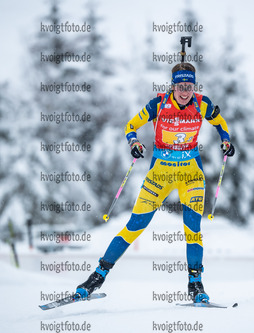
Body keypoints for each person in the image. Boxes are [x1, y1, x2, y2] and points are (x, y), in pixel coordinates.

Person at [76, 62, 235, 303]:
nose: (185, 91)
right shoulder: (158, 104)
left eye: (189, 86)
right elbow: (131, 126)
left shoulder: (202, 103)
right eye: (180, 86)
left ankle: (195, 284)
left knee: (193, 229)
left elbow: (221, 123)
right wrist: (134, 143)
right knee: (135, 224)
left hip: (191, 174)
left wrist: (226, 141)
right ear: (173, 86)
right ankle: (97, 277)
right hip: (159, 174)